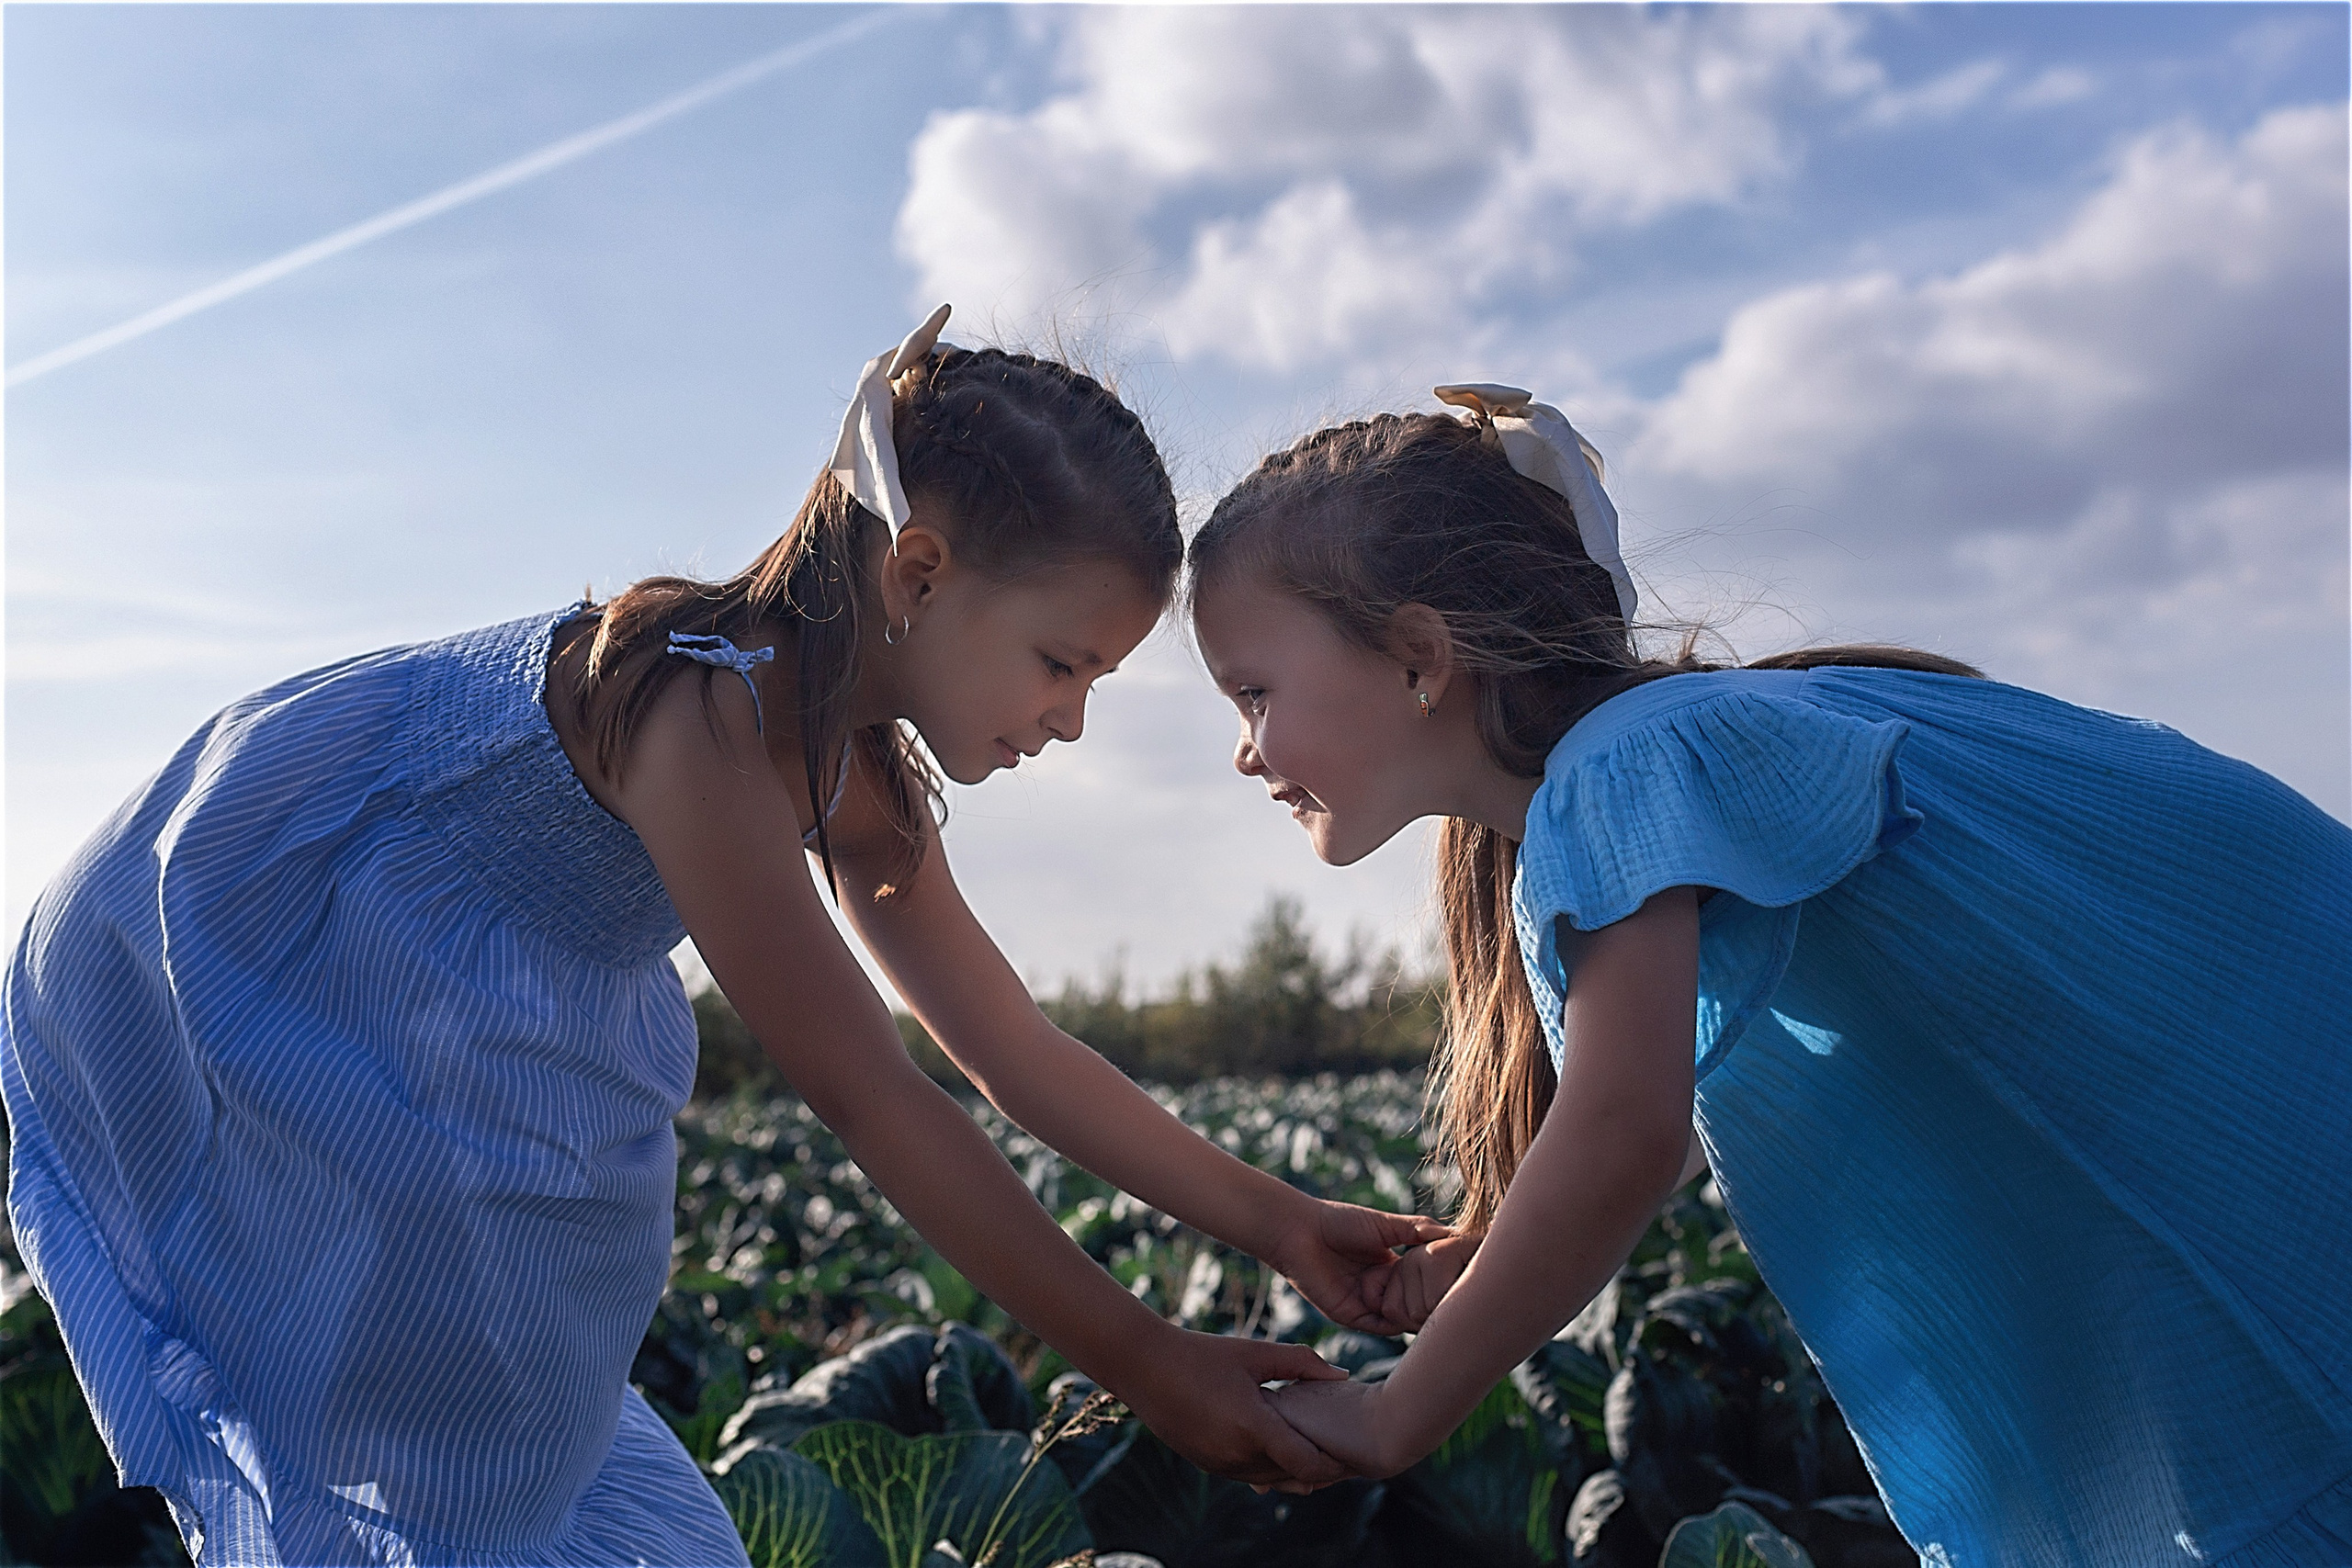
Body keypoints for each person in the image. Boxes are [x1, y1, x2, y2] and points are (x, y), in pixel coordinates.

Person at [0, 308, 1442, 1567]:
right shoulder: (700, 714)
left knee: (520, 1432)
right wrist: (1148, 1359)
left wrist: (1279, 1220)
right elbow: (876, 1095)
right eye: (1060, 662)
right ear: (918, 573)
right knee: (403, 1445)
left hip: (480, 1027)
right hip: (292, 951)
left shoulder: (860, 772)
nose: (1069, 717)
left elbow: (1010, 1048)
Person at [1188, 387, 2352, 1567]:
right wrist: (1487, 1262)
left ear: (1419, 656)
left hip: (2259, 1164)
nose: (1240, 750)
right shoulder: (1662, 749)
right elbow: (1679, 1108)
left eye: (1253, 692)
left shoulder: (1623, 767)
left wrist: (1395, 1411)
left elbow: (1624, 1135)